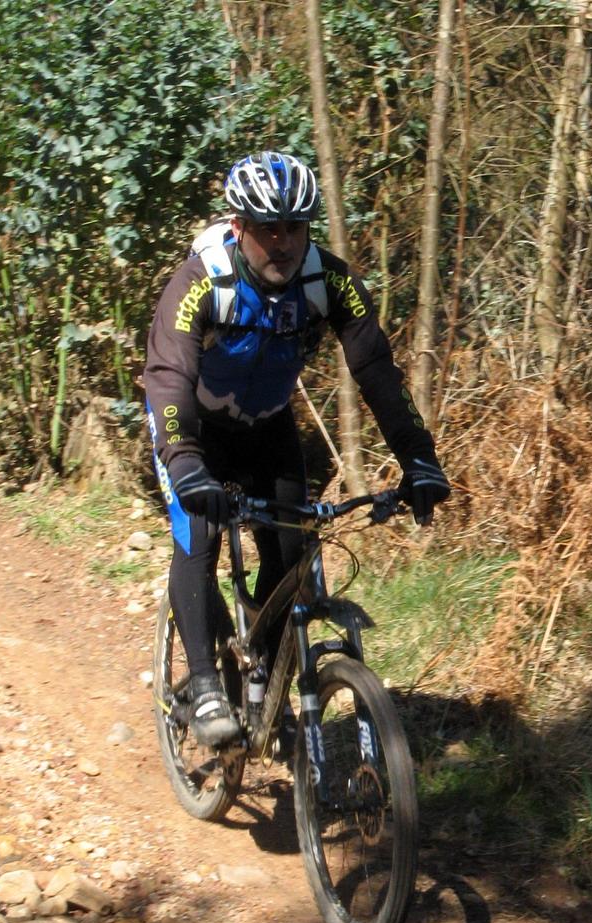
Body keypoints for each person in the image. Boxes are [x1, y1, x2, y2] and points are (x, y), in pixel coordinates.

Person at [144, 151, 450, 747]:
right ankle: (204, 684)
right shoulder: (202, 281)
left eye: (295, 227)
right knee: (197, 536)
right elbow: (168, 375)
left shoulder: (329, 282)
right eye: (267, 229)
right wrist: (184, 463)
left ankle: (260, 661)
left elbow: (377, 374)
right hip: (194, 429)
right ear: (239, 227)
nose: (282, 242)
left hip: (268, 427)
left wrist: (419, 458)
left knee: (292, 551)